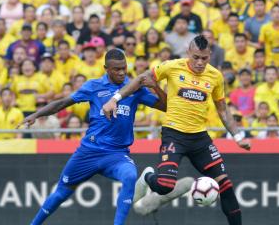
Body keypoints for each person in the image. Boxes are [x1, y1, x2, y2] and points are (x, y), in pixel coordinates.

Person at [103, 35, 251, 225]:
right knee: (164, 186)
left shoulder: (215, 76)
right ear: (188, 52)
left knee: (226, 185)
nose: (199, 62)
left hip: (200, 139)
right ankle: (148, 177)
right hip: (174, 135)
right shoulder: (172, 66)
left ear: (210, 55)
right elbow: (142, 79)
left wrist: (238, 136)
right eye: (195, 57)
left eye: (204, 58)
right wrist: (115, 99)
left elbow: (222, 109)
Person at [18, 49, 167, 225]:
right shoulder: (93, 86)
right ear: (106, 69)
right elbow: (62, 103)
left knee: (129, 176)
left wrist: (155, 86)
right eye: (116, 69)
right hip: (89, 152)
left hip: (117, 154)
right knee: (62, 192)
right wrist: (36, 114)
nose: (121, 72)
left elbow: (165, 107)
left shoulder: (134, 89)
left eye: (124, 68)